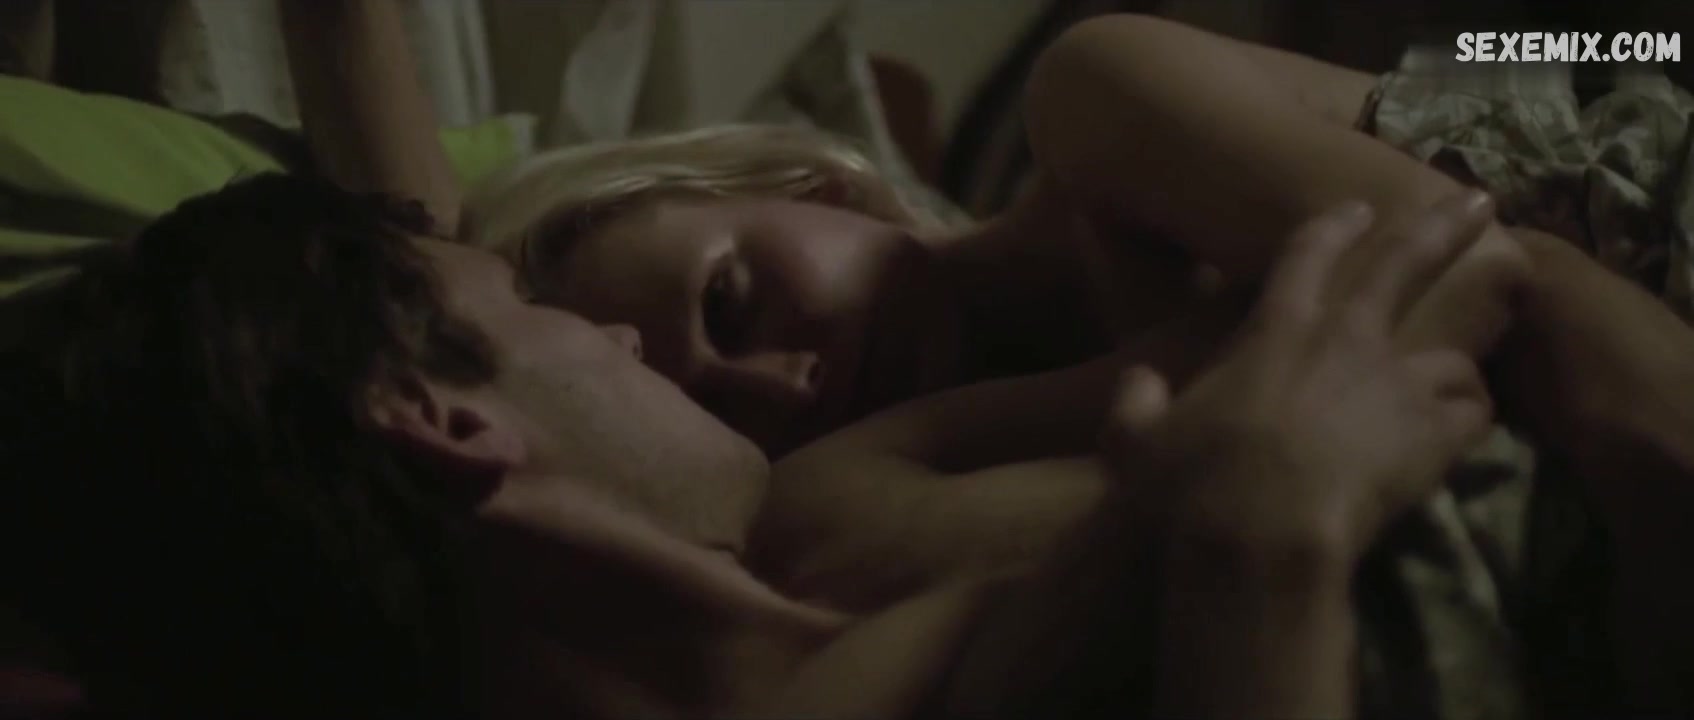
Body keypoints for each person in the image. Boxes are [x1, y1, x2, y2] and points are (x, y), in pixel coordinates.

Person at [5, 170, 1533, 719]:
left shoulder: (864, 564)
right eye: (545, 319)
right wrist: (1259, 562)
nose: (619, 349)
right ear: (446, 422)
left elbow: (1484, 233)